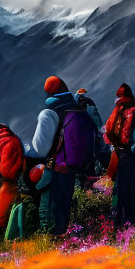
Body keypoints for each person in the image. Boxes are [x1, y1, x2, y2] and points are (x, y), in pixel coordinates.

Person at [30, 76, 99, 235]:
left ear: (48, 92)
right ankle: (67, 236)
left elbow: (40, 149)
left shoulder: (49, 113)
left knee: (49, 208)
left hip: (56, 167)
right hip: (77, 167)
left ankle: (52, 241)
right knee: (67, 205)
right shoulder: (79, 109)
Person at [105, 83, 135, 226]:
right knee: (131, 186)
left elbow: (108, 132)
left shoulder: (118, 110)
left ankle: (117, 219)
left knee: (120, 187)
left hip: (118, 152)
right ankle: (129, 220)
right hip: (131, 154)